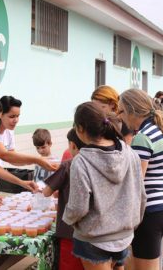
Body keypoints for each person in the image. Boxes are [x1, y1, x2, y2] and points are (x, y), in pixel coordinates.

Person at [63, 102, 146, 270]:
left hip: (94, 238)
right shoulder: (130, 153)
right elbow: (141, 195)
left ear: (80, 128)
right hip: (124, 234)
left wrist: (67, 219)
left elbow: (78, 207)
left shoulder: (81, 161)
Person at [0, 96, 55, 213]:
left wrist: (35, 163)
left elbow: (12, 158)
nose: (15, 120)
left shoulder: (9, 131)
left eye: (18, 116)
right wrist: (37, 160)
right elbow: (4, 155)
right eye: (12, 116)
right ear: (0, 115)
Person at [119, 89, 163, 270]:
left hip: (151, 211)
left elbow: (135, 182)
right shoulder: (157, 129)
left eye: (121, 111)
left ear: (131, 110)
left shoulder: (142, 137)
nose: (119, 116)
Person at [42, 128, 86, 270]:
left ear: (72, 145)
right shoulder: (94, 164)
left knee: (70, 264)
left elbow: (47, 192)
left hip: (69, 228)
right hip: (91, 228)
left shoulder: (67, 165)